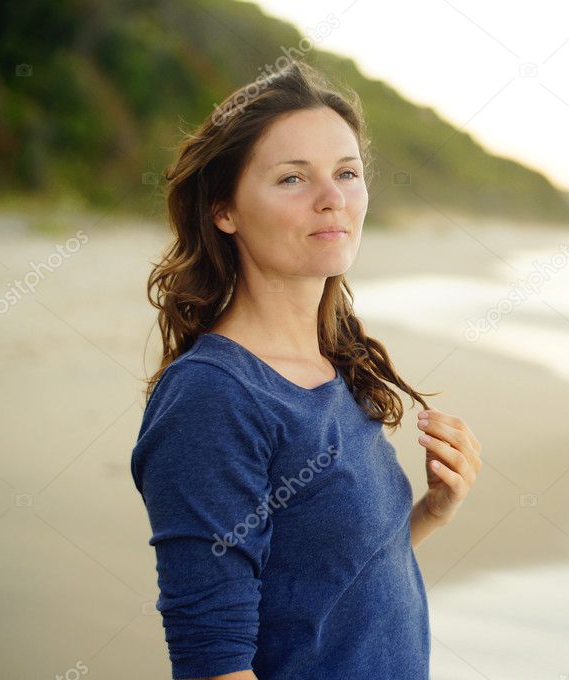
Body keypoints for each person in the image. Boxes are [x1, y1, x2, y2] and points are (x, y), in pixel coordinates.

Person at [130, 59, 482, 680]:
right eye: (293, 179)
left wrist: (431, 512)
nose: (332, 200)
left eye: (347, 173)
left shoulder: (335, 364)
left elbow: (322, 584)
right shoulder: (214, 397)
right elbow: (214, 661)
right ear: (224, 210)